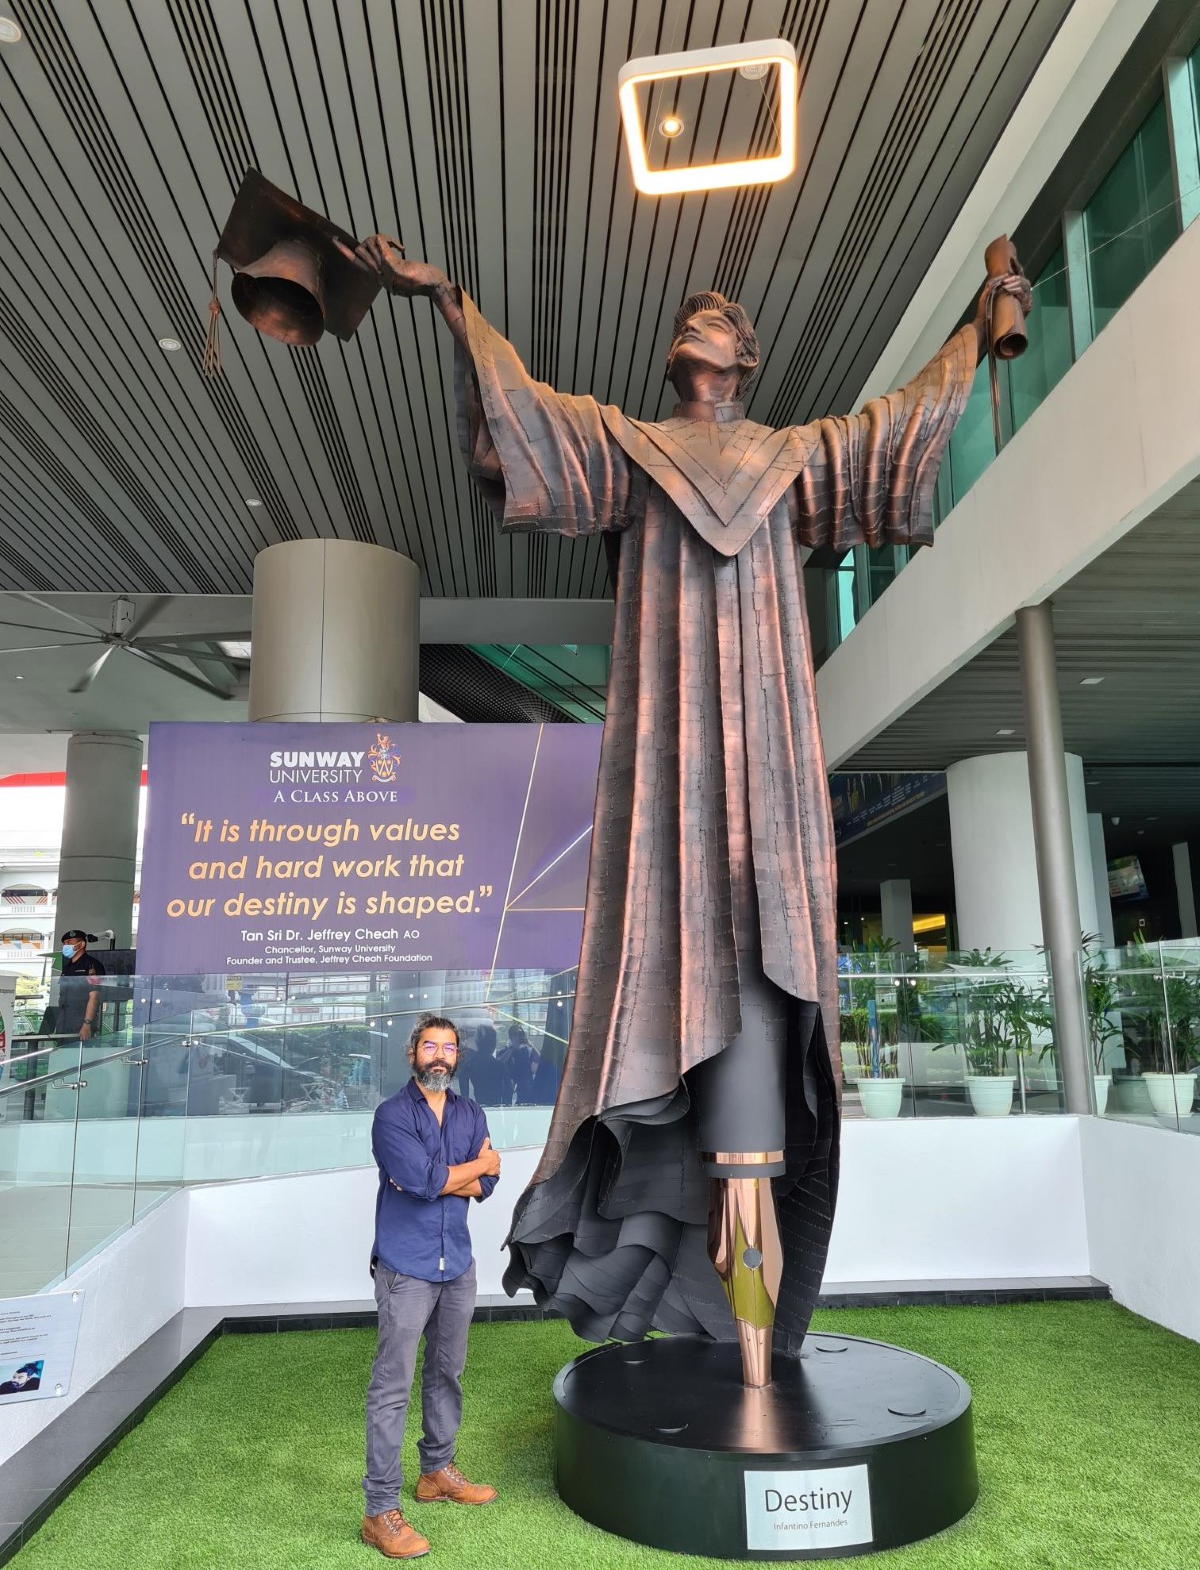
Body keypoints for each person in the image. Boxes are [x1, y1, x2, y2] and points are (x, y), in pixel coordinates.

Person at [351, 231, 1029, 1386]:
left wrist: (983, 321)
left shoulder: (793, 458)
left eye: (718, 311)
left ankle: (756, 1351)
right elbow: (529, 414)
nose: (697, 313)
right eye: (690, 310)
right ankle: (718, 1323)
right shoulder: (632, 449)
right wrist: (453, 302)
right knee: (701, 1105)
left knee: (758, 1123)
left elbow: (899, 427)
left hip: (764, 801)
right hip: (669, 816)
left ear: (745, 356)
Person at [361, 1014, 502, 1560]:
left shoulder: (471, 1112)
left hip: (457, 1265)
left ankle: (436, 1472)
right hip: (406, 1267)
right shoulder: (392, 1114)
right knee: (391, 1389)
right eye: (429, 1046)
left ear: (458, 1057)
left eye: (448, 1047)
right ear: (412, 1053)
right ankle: (379, 1511)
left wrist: (458, 1175)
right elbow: (420, 1182)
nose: (438, 1055)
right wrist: (471, 1168)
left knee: (448, 1371)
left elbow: (487, 1182)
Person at [57, 930, 105, 1042]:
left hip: (80, 1020)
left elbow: (94, 996)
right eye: (64, 944)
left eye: (69, 943)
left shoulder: (92, 965)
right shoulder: (67, 966)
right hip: (64, 1019)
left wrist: (87, 1023)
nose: (66, 946)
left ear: (81, 944)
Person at [461, 1024, 506, 1107]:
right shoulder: (500, 1066)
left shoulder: (469, 1065)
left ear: (477, 1042)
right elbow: (507, 1094)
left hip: (479, 1108)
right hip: (497, 1109)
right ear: (493, 1044)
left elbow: (464, 1094)